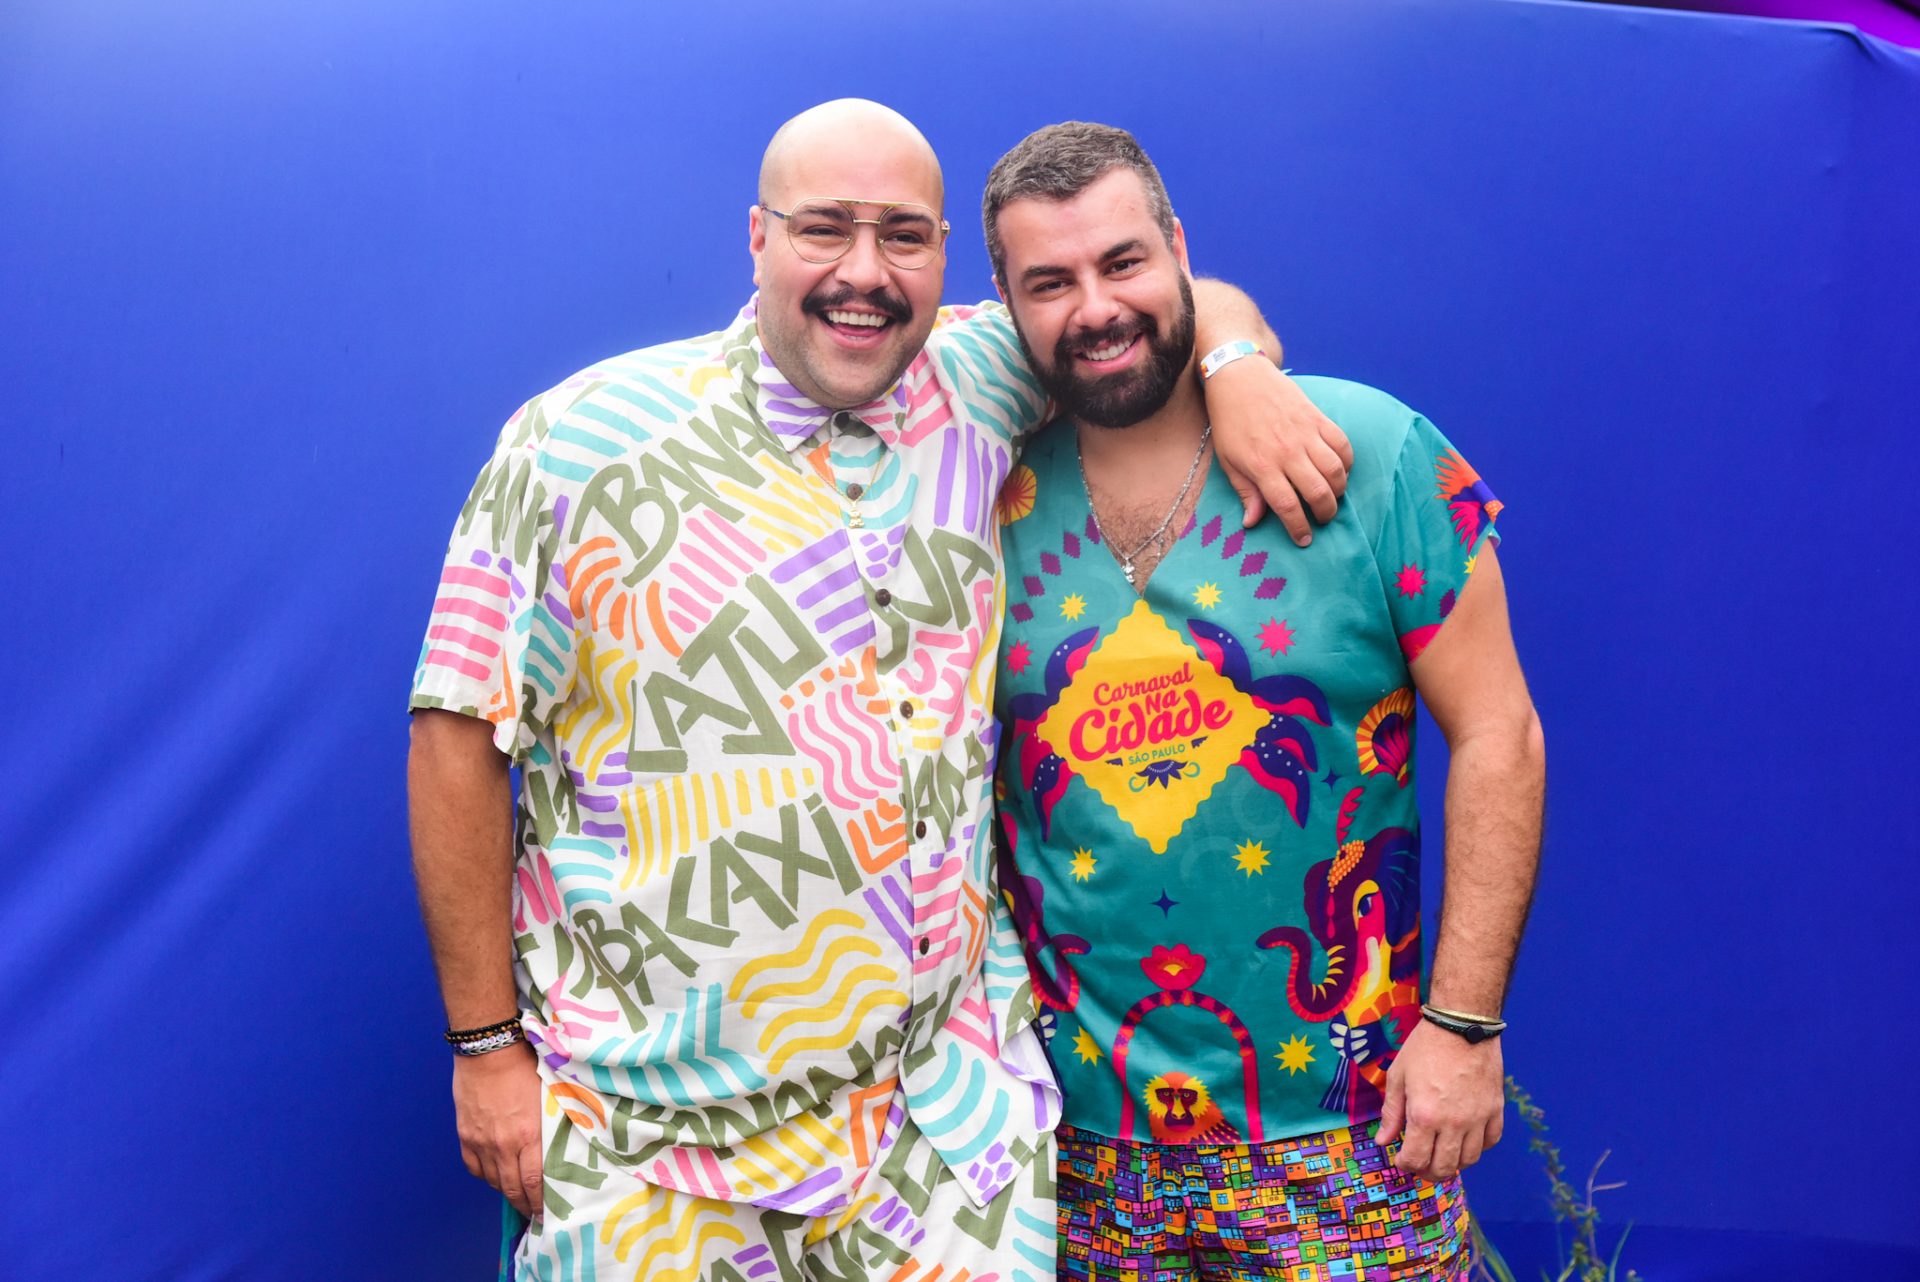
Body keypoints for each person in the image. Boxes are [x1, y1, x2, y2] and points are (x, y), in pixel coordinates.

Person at [407, 99, 1353, 1281]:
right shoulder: (577, 443)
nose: (865, 272)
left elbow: (1152, 299)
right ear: (757, 236)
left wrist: (1235, 365)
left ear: (946, 257)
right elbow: (455, 733)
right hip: (652, 1151)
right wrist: (485, 1047)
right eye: (825, 228)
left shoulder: (978, 377)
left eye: (903, 235)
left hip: (941, 1142)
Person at [987, 122, 1546, 1281]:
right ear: (1006, 304)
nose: (1096, 306)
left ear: (1181, 251)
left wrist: (1464, 1026)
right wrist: (1233, 344)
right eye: (1050, 282)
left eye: (1124, 262)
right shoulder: (976, 485)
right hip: (1070, 1152)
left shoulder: (1368, 452)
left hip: (1356, 1135)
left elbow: (1501, 734)